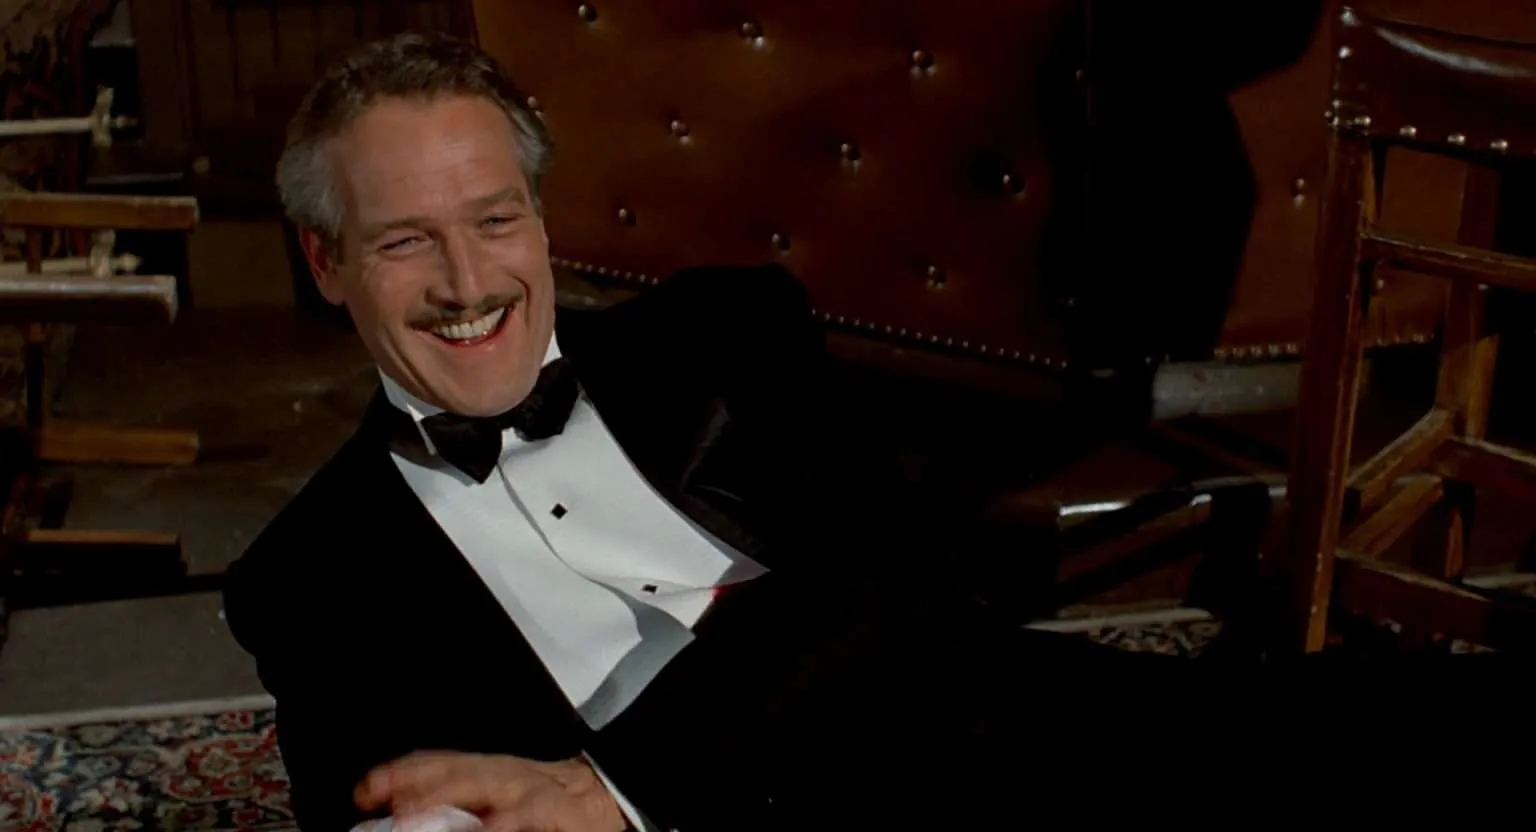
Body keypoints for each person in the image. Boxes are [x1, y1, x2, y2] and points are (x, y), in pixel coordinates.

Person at [221, 30, 1524, 832]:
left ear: (541, 220)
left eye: (495, 220)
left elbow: (903, 577)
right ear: (327, 262)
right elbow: (392, 807)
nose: (468, 283)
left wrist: (610, 789)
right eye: (406, 242)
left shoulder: (722, 335)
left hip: (977, 735)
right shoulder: (306, 574)